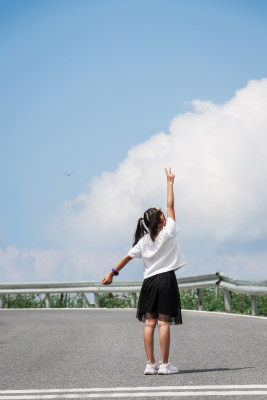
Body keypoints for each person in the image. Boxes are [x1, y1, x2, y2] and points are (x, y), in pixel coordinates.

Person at [102, 167, 186, 375]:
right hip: (165, 280)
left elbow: (126, 258)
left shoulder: (143, 241)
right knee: (163, 322)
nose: (166, 215)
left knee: (149, 323)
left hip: (149, 283)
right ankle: (165, 366)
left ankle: (151, 364)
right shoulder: (169, 232)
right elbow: (171, 205)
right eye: (162, 216)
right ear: (160, 221)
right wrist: (169, 182)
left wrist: (112, 273)